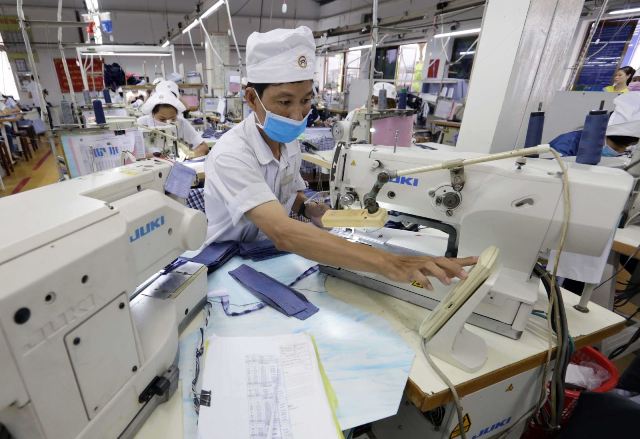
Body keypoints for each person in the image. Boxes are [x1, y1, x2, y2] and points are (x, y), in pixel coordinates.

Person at [203, 26, 476, 289]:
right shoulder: (231, 155)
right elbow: (282, 231)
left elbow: (285, 191)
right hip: (229, 262)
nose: (297, 116)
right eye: (285, 102)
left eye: (305, 101)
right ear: (252, 98)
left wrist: (308, 208)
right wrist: (390, 263)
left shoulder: (288, 142)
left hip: (269, 256)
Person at [550, 92, 640, 157]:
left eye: (625, 148)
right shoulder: (566, 144)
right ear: (601, 132)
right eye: (615, 148)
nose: (620, 152)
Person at [137, 81, 209, 157]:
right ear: (152, 114)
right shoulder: (141, 124)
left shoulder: (181, 123)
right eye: (162, 119)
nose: (168, 123)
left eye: (172, 119)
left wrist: (190, 154)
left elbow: (203, 147)